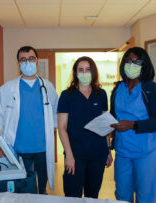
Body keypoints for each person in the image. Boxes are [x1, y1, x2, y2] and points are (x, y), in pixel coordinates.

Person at [0, 46, 58, 194]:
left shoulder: (48, 87)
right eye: (23, 60)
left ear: (37, 61)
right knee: (23, 189)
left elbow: (56, 114)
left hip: (43, 148)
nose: (28, 62)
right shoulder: (7, 88)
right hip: (19, 148)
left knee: (42, 190)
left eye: (31, 58)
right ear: (18, 64)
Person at [109, 47, 156, 203]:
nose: (131, 64)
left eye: (136, 61)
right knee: (122, 196)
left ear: (144, 65)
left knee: (145, 198)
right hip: (123, 152)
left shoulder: (152, 89)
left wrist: (133, 125)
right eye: (128, 61)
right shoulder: (118, 89)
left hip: (147, 152)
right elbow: (112, 116)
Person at [57, 56, 113, 198]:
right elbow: (62, 127)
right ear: (75, 73)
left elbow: (105, 124)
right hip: (75, 155)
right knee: (72, 195)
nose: (84, 73)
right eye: (80, 70)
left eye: (88, 69)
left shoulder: (100, 94)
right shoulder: (66, 96)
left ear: (93, 72)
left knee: (92, 195)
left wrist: (107, 150)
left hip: (97, 154)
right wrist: (69, 155)